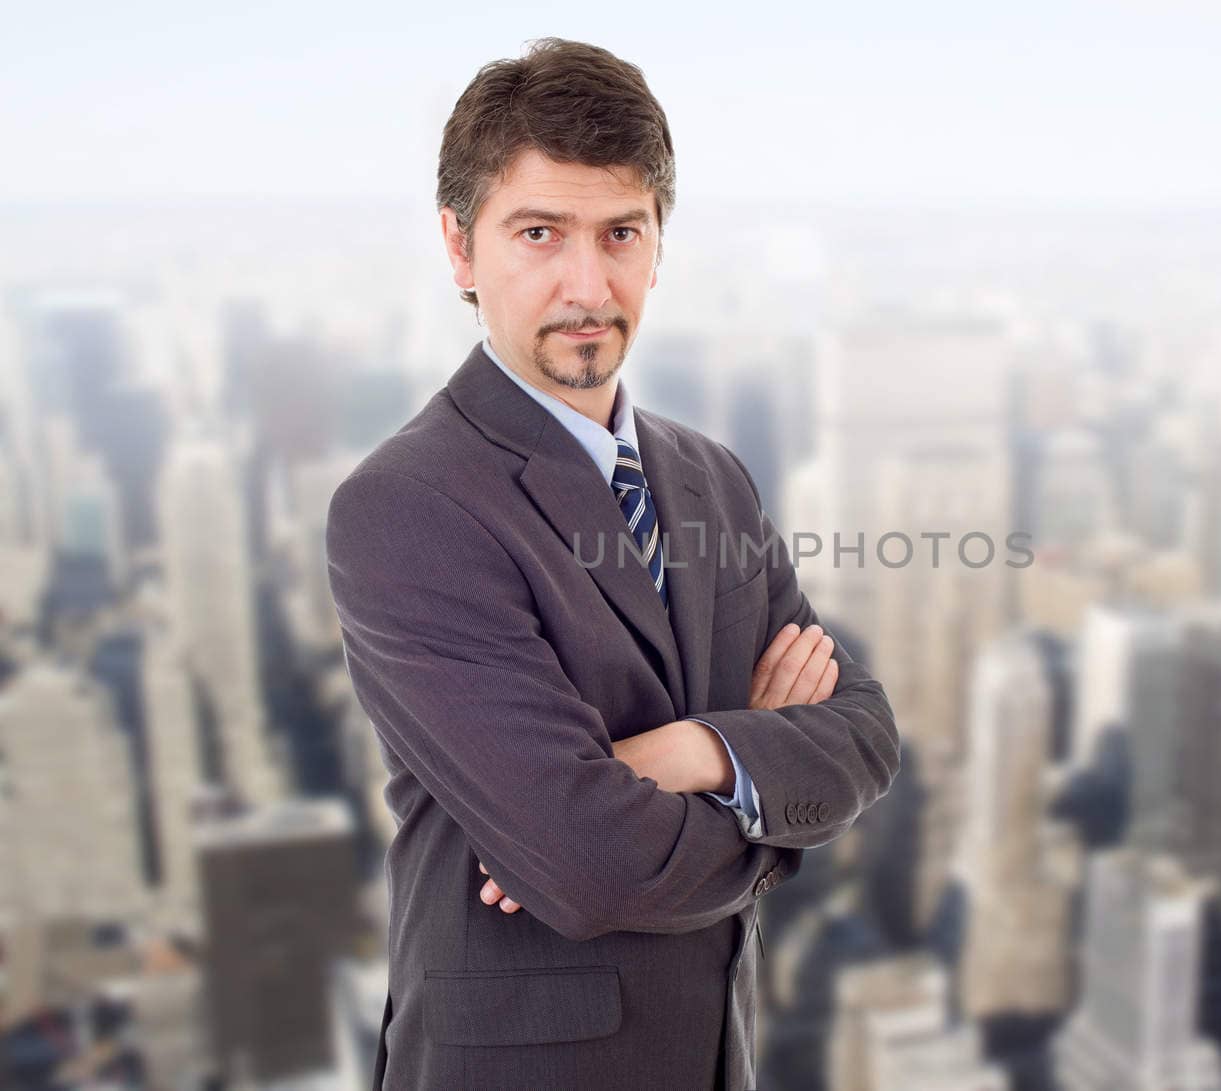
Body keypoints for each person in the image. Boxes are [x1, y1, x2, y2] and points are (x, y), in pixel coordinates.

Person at [324, 37, 900, 1090]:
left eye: (619, 233)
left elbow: (863, 734)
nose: (586, 284)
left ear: (656, 244)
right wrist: (771, 803)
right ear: (460, 247)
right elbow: (588, 862)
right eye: (537, 232)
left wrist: (684, 753)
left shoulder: (710, 476)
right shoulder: (407, 505)